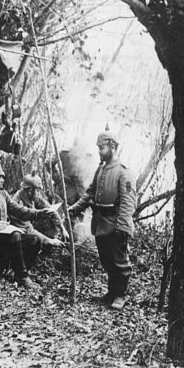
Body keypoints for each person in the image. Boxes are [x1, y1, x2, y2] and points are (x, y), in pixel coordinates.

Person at [68, 130, 136, 310]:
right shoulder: (101, 168)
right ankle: (112, 292)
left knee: (119, 261)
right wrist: (75, 209)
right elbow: (90, 193)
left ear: (112, 147)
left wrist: (122, 226)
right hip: (100, 222)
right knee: (106, 259)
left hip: (116, 223)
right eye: (98, 148)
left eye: (102, 147)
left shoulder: (124, 172)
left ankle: (120, 295)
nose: (99, 151)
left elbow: (128, 203)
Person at [0, 159, 59, 288]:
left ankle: (20, 271)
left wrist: (40, 213)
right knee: (15, 235)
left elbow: (19, 211)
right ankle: (22, 277)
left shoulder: (2, 194)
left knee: (35, 240)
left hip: (5, 242)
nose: (2, 180)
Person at [10, 173, 65, 241]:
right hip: (20, 233)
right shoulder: (17, 203)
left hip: (31, 226)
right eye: (38, 190)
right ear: (30, 191)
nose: (39, 193)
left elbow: (50, 209)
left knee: (48, 217)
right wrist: (50, 241)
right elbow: (28, 229)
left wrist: (62, 228)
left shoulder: (32, 196)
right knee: (35, 239)